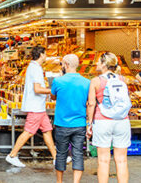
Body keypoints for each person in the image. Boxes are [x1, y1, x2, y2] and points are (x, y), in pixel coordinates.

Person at [5, 45, 56, 167]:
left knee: (47, 130)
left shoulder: (33, 67)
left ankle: (56, 158)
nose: (46, 56)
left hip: (39, 107)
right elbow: (37, 89)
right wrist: (52, 90)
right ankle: (12, 155)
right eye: (45, 54)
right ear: (42, 54)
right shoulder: (36, 69)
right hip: (36, 107)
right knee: (28, 131)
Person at [87, 52, 130, 183]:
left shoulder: (95, 81)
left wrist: (89, 124)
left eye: (99, 62)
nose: (96, 64)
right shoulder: (123, 79)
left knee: (103, 160)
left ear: (104, 64)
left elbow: (91, 104)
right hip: (122, 121)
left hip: (102, 122)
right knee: (122, 160)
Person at [50, 54, 90, 183]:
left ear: (66, 65)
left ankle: (59, 181)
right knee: (78, 154)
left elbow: (53, 97)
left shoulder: (58, 81)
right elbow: (89, 101)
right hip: (80, 123)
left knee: (61, 153)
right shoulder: (86, 82)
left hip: (62, 123)